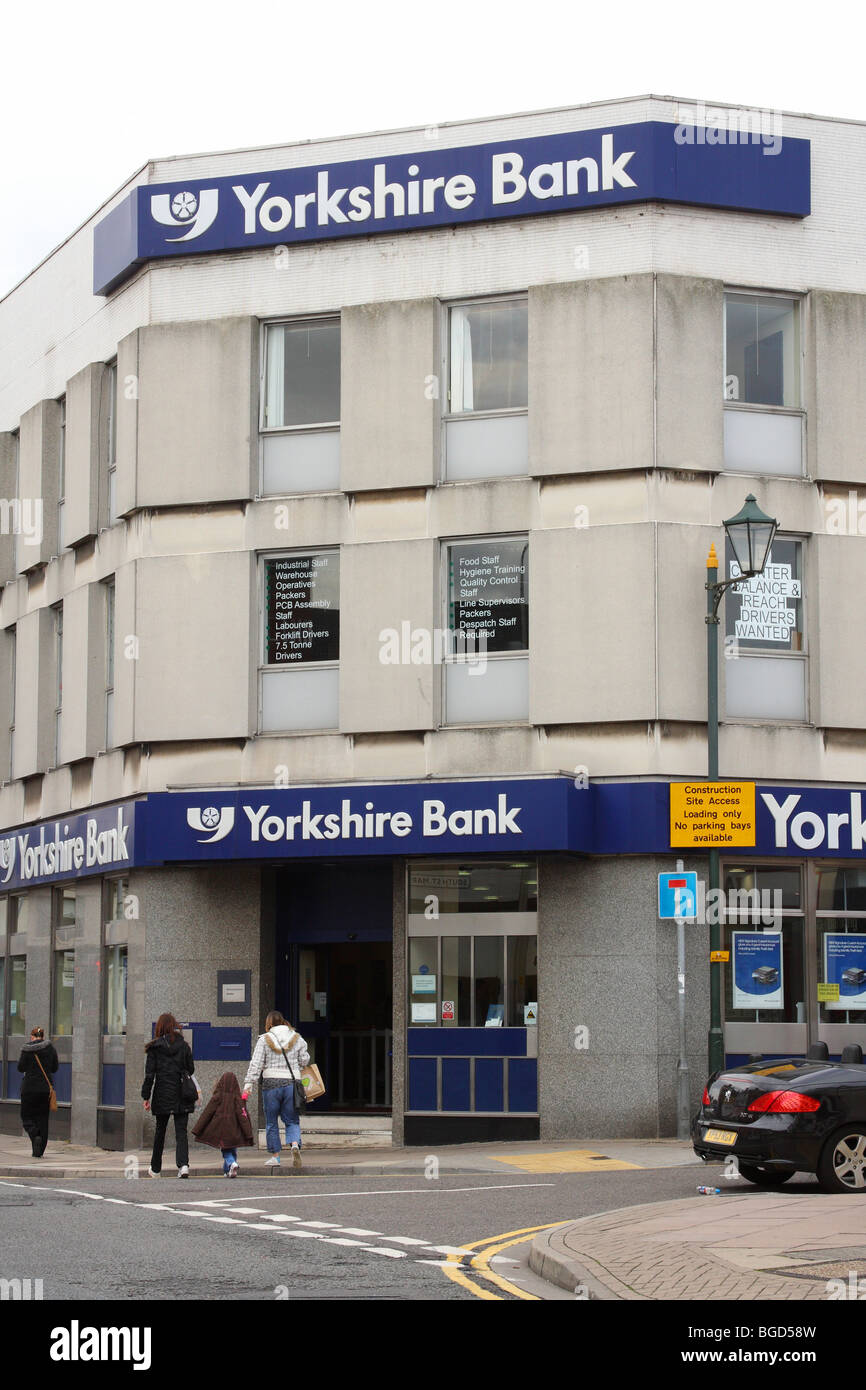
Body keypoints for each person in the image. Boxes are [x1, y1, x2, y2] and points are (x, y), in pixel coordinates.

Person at [242, 1010, 309, 1169]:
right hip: (291, 1083)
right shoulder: (297, 1038)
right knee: (291, 1119)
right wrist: (296, 1064)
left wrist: (248, 1084)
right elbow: (305, 1059)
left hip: (270, 1084)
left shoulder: (264, 1039)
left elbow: (256, 1063)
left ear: (269, 1023)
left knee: (271, 1121)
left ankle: (275, 1156)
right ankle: (294, 1144)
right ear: (283, 1021)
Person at [141, 1013, 200, 1177]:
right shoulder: (184, 1045)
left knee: (160, 1131)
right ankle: (183, 1166)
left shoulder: (154, 1048)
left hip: (162, 1093)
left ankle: (155, 1168)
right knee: (181, 1131)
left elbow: (149, 1075)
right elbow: (191, 1069)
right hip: (182, 1092)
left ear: (159, 1027)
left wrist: (146, 1096)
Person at [192, 1071, 254, 1176]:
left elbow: (207, 1112)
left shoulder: (217, 1096)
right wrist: (248, 1133)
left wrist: (198, 1128)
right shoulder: (238, 1099)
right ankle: (227, 1170)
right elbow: (243, 1116)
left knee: (225, 1150)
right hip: (234, 1130)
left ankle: (231, 1163)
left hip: (221, 1129)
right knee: (232, 1148)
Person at [18, 1026, 59, 1158]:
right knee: (42, 1119)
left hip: (29, 1089)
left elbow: (20, 1067)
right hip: (44, 1090)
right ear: (43, 1036)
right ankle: (38, 1152)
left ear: (32, 1036)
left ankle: (35, 1134)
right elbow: (55, 1068)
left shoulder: (26, 1049)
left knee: (26, 1117)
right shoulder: (51, 1049)